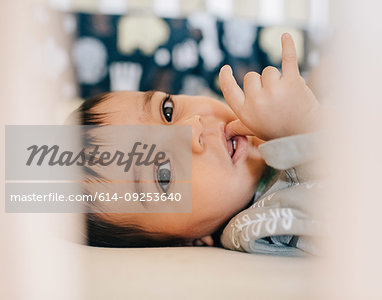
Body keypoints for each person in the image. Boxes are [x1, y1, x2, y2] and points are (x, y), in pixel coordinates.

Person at [78, 33, 322, 249]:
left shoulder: (277, 107)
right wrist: (305, 126)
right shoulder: (266, 228)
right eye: (164, 174)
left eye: (167, 112)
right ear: (187, 241)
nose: (193, 127)